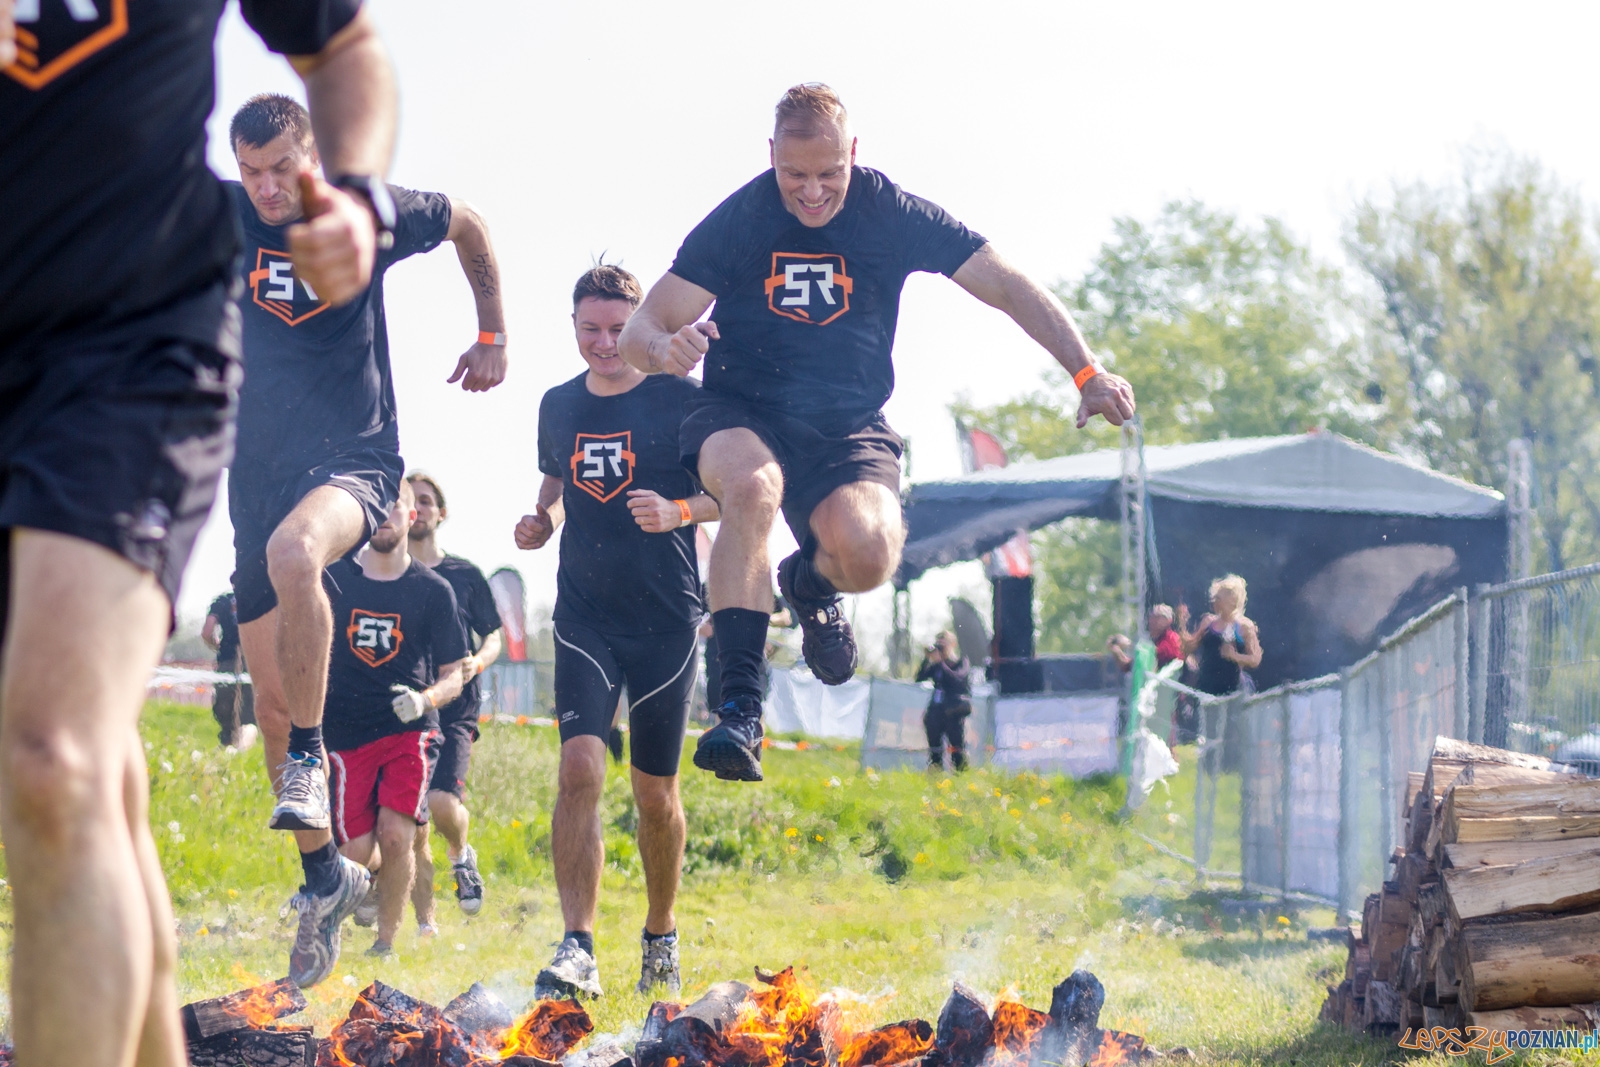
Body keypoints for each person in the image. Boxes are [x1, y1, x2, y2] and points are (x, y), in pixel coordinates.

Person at [1, 0, 394, 1058]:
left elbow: (345, 47)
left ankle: (310, 767)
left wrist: (359, 201)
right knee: (93, 771)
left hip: (126, 348)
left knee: (51, 758)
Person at [618, 83, 1136, 782]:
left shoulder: (889, 212)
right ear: (770, 156)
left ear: (854, 153)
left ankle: (806, 581)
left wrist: (1086, 371)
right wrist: (664, 348)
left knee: (869, 555)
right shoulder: (741, 219)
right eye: (794, 175)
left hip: (847, 427)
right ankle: (739, 706)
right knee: (751, 486)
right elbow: (642, 326)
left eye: (828, 173)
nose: (811, 192)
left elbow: (1006, 283)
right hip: (742, 411)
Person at [223, 92, 508, 984]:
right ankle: (324, 878)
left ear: (312, 157)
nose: (269, 189)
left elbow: (469, 222)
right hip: (253, 474)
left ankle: (314, 758)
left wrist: (492, 331)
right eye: (252, 173)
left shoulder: (369, 211)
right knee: (272, 708)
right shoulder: (220, 217)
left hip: (352, 460)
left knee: (296, 553)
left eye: (283, 169)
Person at [515, 265, 720, 1000]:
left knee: (655, 794)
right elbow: (557, 480)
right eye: (590, 330)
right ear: (573, 328)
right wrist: (542, 519)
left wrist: (679, 511)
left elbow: (734, 493)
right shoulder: (558, 404)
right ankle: (578, 944)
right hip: (585, 617)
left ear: (642, 326)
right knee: (580, 768)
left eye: (616, 329)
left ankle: (660, 933)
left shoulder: (682, 398)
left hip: (666, 621)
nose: (604, 344)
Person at [320, 481, 468, 960]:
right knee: (357, 852)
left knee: (396, 833)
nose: (385, 515)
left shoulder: (434, 590)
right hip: (344, 733)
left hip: (410, 732)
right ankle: (366, 887)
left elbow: (455, 674)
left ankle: (385, 943)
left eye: (395, 506)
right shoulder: (334, 579)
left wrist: (425, 701)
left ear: (412, 516)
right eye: (377, 507)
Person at [404, 471, 503, 927]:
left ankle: (462, 856)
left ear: (441, 513)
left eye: (426, 500)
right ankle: (424, 924)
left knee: (441, 803)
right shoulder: (387, 575)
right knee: (410, 822)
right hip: (403, 709)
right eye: (411, 500)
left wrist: (476, 663)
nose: (418, 507)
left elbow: (493, 636)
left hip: (455, 707)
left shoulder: (465, 575)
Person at [1180, 576, 1264, 697]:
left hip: (1233, 690)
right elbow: (1189, 647)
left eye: (1218, 598)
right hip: (1206, 686)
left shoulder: (1244, 626)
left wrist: (1235, 656)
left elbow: (1255, 659)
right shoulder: (1208, 621)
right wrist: (1182, 624)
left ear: (1232, 600)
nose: (1214, 602)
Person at [203, 591, 257, 749]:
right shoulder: (259, 595)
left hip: (227, 660)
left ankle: (227, 743)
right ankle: (242, 747)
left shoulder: (222, 601)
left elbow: (207, 632)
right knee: (248, 713)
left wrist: (217, 646)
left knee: (225, 707)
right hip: (253, 661)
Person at [917, 631, 973, 772]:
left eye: (943, 645)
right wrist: (927, 659)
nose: (941, 649)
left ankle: (961, 775)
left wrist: (941, 663)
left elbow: (957, 679)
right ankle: (937, 775)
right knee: (935, 749)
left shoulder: (961, 662)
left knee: (957, 749)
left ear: (953, 644)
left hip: (953, 711)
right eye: (939, 645)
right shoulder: (937, 665)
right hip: (936, 711)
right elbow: (919, 678)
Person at [1107, 605, 1184, 672]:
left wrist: (1129, 644)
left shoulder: (1172, 638)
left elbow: (1150, 655)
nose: (1152, 622)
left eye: (1157, 618)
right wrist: (1117, 651)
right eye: (1151, 618)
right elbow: (1131, 666)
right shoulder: (1156, 640)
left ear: (1169, 621)